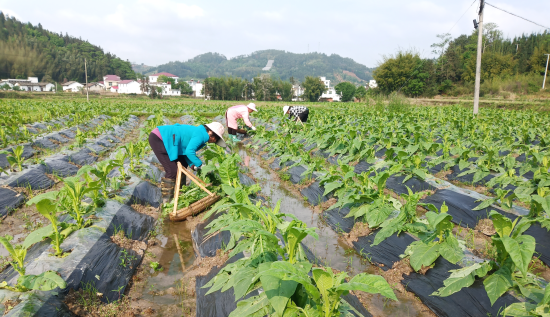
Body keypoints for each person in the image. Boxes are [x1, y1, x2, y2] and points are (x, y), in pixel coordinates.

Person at [148, 122, 226, 202]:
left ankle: (181, 195)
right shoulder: (202, 135)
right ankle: (166, 203)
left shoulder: (201, 133)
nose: (214, 141)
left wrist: (193, 165)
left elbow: (184, 152)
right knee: (172, 170)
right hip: (160, 138)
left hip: (168, 140)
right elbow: (189, 151)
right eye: (216, 139)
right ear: (211, 133)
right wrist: (200, 165)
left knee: (182, 165)